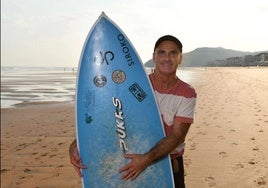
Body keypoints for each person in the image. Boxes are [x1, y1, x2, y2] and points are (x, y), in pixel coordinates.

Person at [69, 35, 197, 188]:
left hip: (167, 166)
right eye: (162, 53)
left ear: (180, 58)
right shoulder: (136, 84)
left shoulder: (186, 93)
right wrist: (77, 144)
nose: (167, 58)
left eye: (173, 53)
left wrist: (146, 159)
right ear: (154, 57)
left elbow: (177, 136)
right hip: (132, 163)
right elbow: (107, 116)